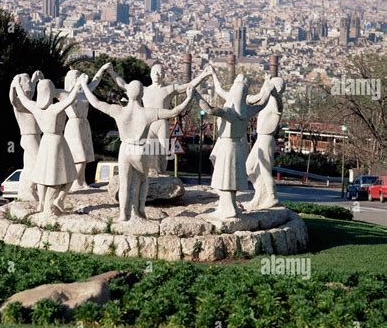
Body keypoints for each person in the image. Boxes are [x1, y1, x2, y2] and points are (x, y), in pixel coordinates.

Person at [79, 75, 194, 221]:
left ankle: (123, 214)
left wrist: (84, 85)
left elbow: (95, 102)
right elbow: (173, 112)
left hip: (124, 148)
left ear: (127, 94)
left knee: (124, 183)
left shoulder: (118, 111)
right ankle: (140, 210)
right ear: (142, 94)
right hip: (139, 149)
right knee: (143, 180)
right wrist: (188, 98)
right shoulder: (148, 112)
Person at [106, 61, 211, 174]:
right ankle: (151, 171)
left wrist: (203, 75)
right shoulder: (144, 90)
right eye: (154, 72)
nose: (157, 74)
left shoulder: (168, 89)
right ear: (151, 74)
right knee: (149, 148)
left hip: (161, 123)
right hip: (148, 123)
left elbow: (188, 86)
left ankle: (161, 171)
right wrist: (112, 72)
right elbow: (124, 85)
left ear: (164, 75)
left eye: (160, 72)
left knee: (162, 150)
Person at [195, 70, 273, 219]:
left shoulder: (229, 112)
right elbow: (262, 103)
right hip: (238, 147)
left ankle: (227, 208)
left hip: (226, 147)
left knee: (225, 177)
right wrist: (267, 87)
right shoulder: (247, 110)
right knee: (232, 177)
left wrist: (195, 95)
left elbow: (209, 109)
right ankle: (230, 206)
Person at [11, 75, 84, 215]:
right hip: (57, 141)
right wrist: (77, 85)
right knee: (71, 174)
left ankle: (41, 203)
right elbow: (71, 99)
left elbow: (24, 99)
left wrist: (16, 85)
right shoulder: (55, 108)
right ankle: (60, 199)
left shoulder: (35, 108)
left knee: (41, 175)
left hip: (45, 141)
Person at [56, 62, 111, 191]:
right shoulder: (65, 94)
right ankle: (74, 182)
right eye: (77, 76)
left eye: (79, 75)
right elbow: (50, 91)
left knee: (85, 157)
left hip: (84, 124)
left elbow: (95, 82)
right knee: (79, 157)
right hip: (73, 125)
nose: (80, 78)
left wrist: (102, 69)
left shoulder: (84, 92)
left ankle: (82, 182)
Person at [245, 77, 286, 210]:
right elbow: (262, 95)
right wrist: (265, 83)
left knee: (265, 170)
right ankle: (260, 194)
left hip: (267, 139)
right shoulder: (267, 102)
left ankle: (272, 196)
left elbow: (279, 104)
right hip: (260, 138)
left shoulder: (276, 103)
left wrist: (273, 92)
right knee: (249, 167)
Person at [9, 71, 43, 201]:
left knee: (29, 165)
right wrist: (14, 85)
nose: (29, 91)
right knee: (39, 162)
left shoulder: (28, 102)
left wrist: (35, 79)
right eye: (26, 84)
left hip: (36, 136)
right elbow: (12, 98)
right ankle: (34, 188)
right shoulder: (19, 104)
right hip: (29, 138)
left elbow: (30, 91)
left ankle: (28, 190)